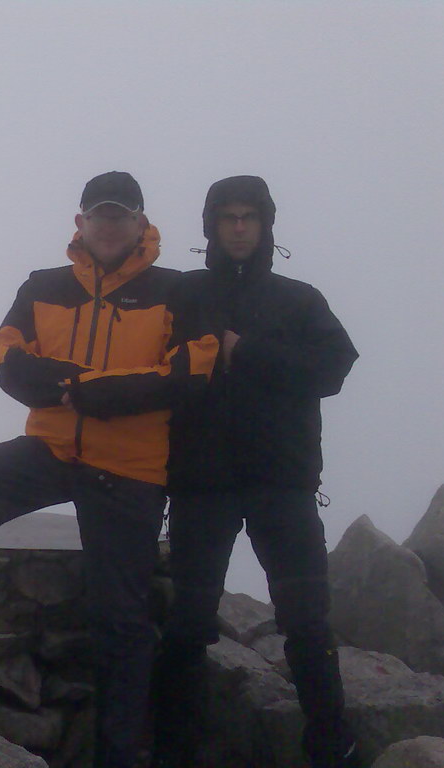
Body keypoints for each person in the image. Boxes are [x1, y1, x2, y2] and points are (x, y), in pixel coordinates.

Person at [0, 171, 218, 768]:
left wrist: (92, 392)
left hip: (129, 467)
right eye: (98, 213)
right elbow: (7, 353)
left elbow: (190, 370)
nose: (108, 224)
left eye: (120, 214)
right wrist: (64, 387)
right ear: (80, 222)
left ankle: (118, 754)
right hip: (51, 449)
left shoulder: (176, 290)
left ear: (142, 224)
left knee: (119, 621)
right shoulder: (43, 285)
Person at [153, 176, 360, 768]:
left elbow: (334, 368)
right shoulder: (183, 295)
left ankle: (330, 747)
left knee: (307, 624)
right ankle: (173, 752)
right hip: (200, 485)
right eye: (228, 218)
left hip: (283, 485)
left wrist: (246, 351)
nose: (239, 227)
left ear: (266, 224)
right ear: (211, 227)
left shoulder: (299, 299)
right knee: (188, 626)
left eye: (249, 217)